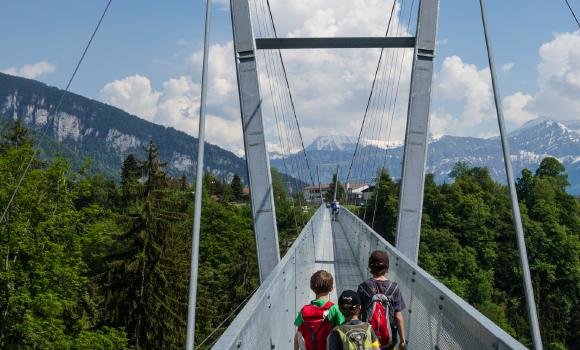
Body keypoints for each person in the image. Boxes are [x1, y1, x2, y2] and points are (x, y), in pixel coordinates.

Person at [357, 250, 407, 350]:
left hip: (367, 340)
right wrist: (402, 341)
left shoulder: (363, 288)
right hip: (389, 340)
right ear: (387, 267)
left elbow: (357, 313)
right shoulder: (394, 288)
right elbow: (398, 316)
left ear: (370, 267)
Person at [294, 270, 345, 350]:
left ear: (311, 287)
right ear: (331, 289)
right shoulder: (334, 309)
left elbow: (298, 335)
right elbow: (343, 332)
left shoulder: (304, 310)